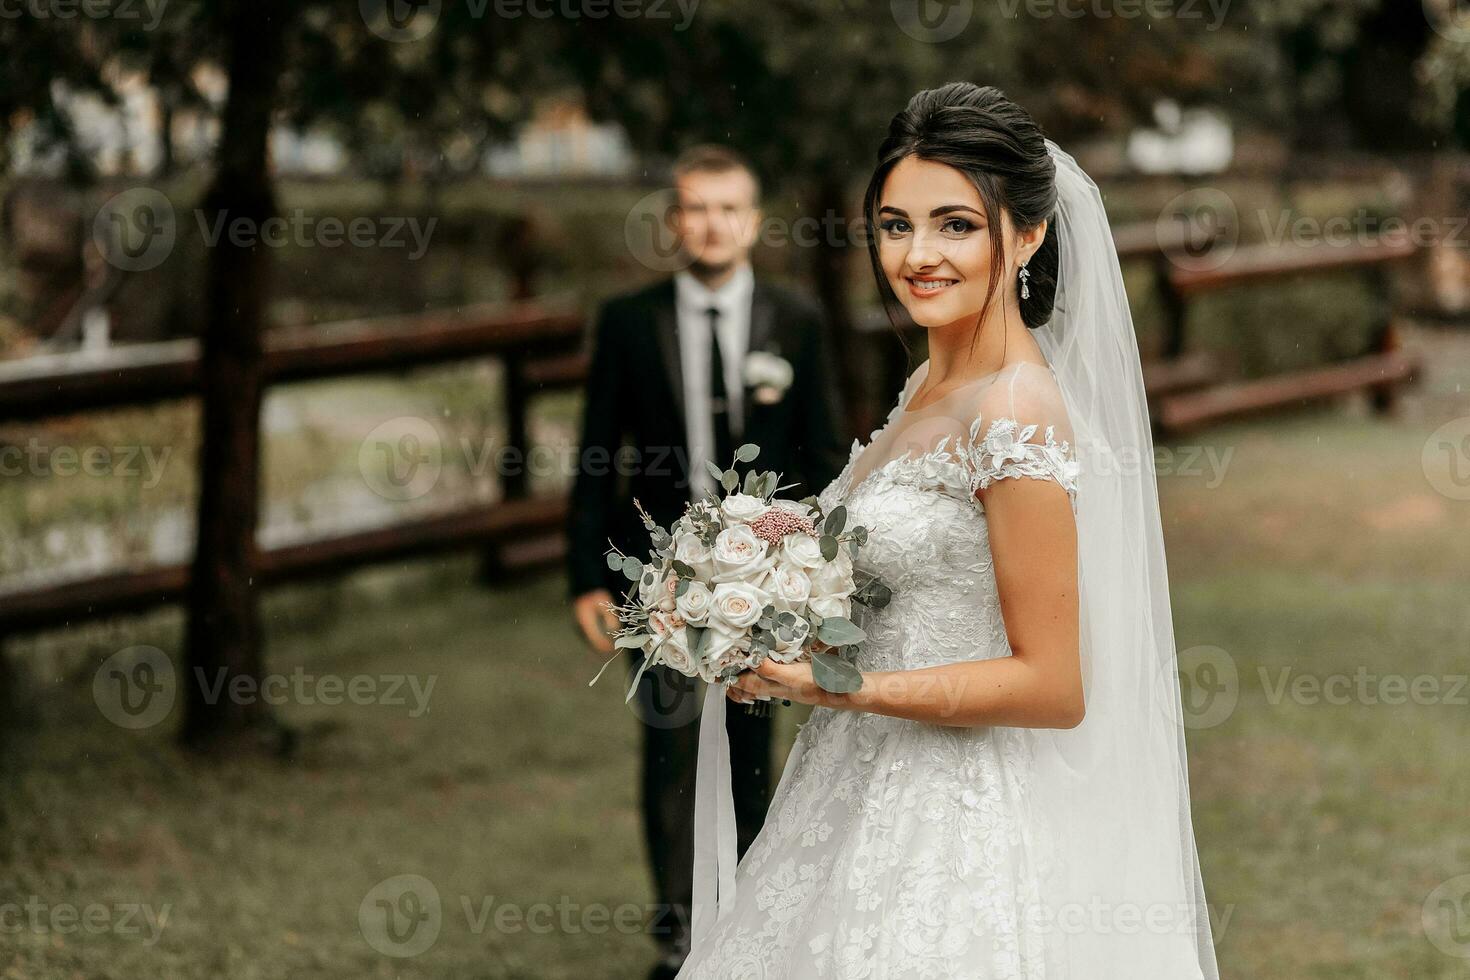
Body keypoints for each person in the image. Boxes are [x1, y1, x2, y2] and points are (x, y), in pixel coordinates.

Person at [676, 83, 1220, 979]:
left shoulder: (1016, 412)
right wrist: (763, 620)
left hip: (957, 819)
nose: (918, 255)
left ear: (1029, 235)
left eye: (956, 225)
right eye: (895, 225)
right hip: (848, 784)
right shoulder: (925, 391)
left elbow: (1052, 686)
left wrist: (844, 686)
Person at [565, 143, 847, 979]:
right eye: (696, 207)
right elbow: (594, 456)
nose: (713, 224)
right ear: (673, 222)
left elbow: (826, 447)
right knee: (671, 749)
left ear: (753, 221)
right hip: (657, 575)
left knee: (754, 749)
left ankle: (749, 931)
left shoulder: (796, 319)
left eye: (730, 208)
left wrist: (811, 563)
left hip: (768, 576)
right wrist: (585, 573)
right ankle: (679, 942)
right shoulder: (627, 321)